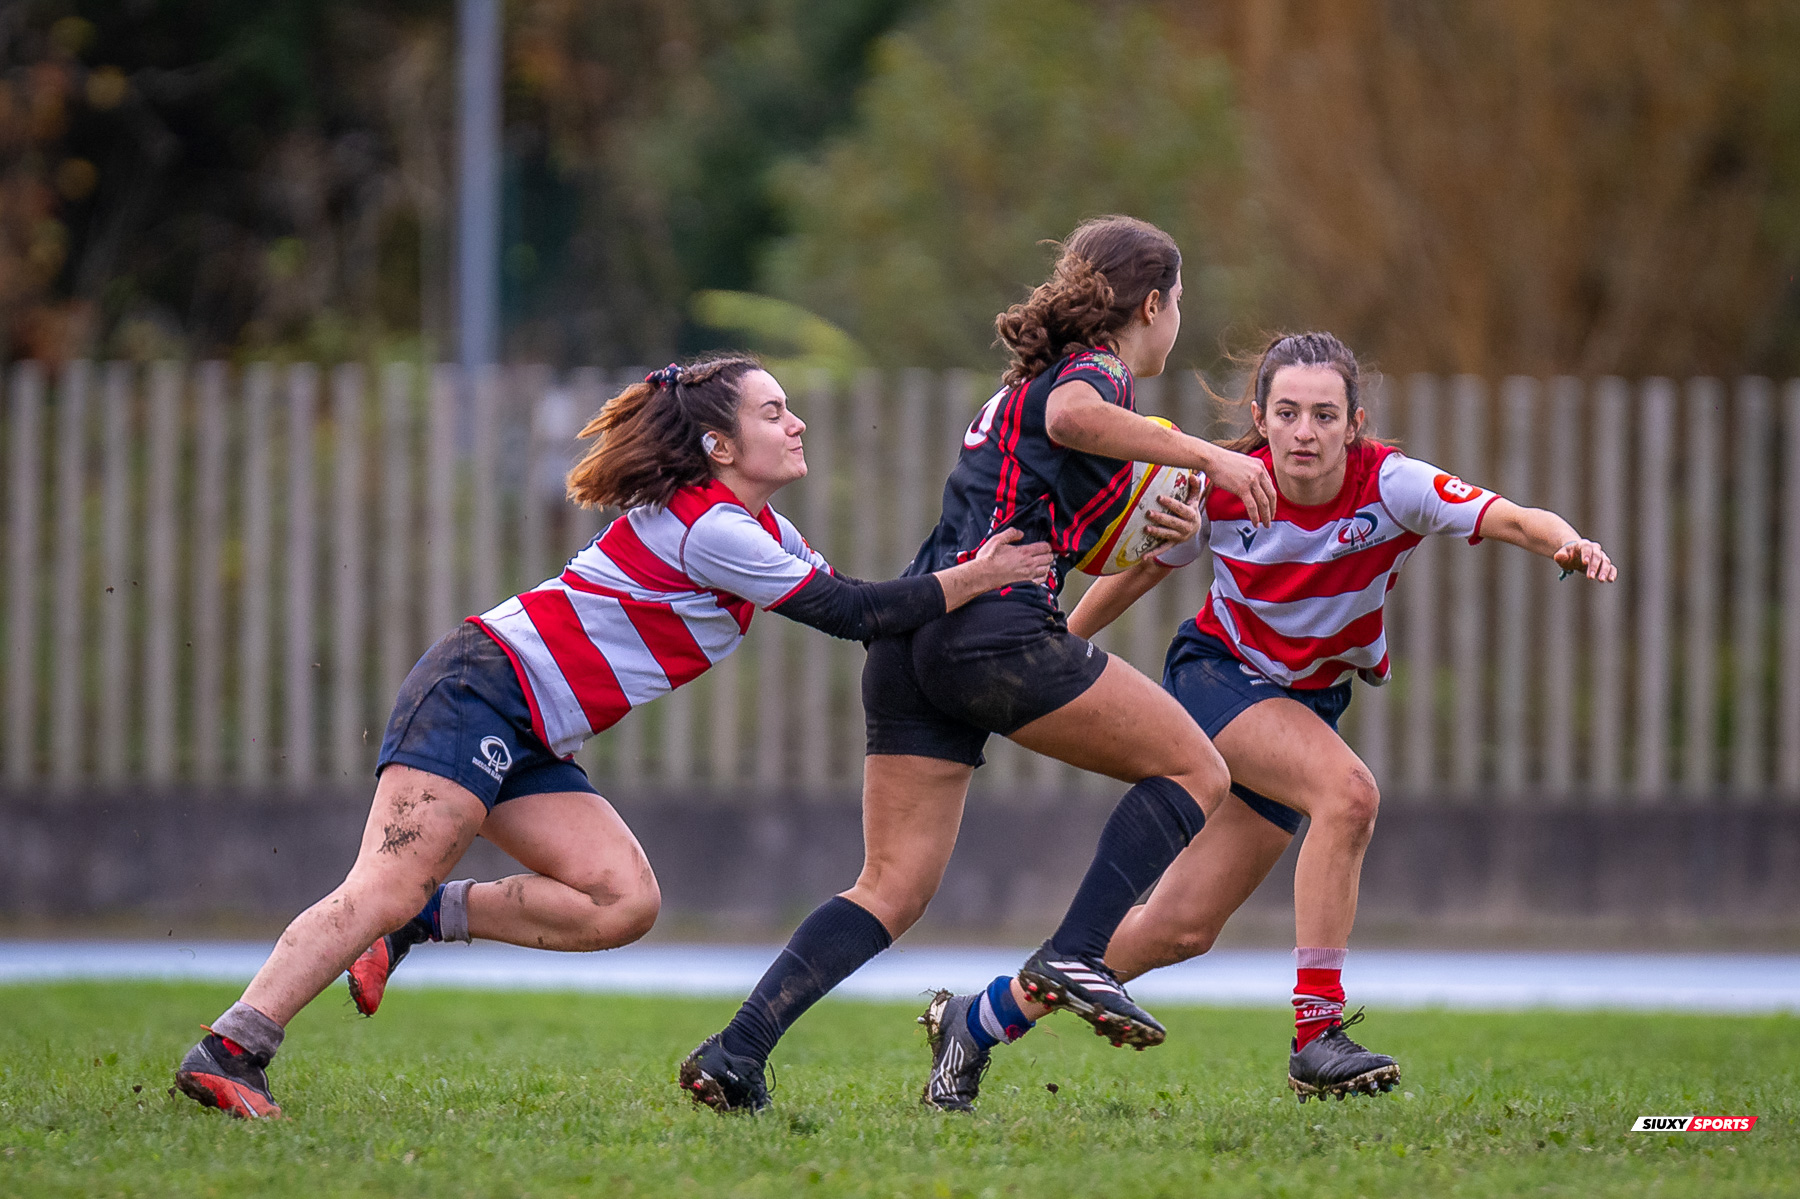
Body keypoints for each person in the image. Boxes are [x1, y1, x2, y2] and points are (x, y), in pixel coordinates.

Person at [171, 355, 1053, 1119]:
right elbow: (850, 611)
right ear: (719, 445)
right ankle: (232, 1047)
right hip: (479, 689)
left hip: (528, 725)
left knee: (621, 900)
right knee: (382, 880)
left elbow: (869, 604)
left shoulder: (758, 528)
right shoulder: (709, 527)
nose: (798, 423)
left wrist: (974, 567)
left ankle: (419, 923)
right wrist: (978, 574)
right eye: (774, 411)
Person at [917, 331, 1619, 1110]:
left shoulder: (1394, 485)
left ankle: (975, 1023)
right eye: (1287, 412)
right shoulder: (1221, 486)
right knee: (1348, 793)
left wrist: (1568, 543)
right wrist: (1046, 654)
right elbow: (1142, 571)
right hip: (1217, 678)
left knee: (1179, 930)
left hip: (1303, 704)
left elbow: (1515, 517)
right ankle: (1315, 1036)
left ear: (1355, 423)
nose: (1304, 431)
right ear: (1261, 415)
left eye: (1324, 414)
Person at [679, 215, 1282, 1114]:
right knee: (1198, 768)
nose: (1177, 322)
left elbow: (1091, 517)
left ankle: (736, 1051)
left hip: (917, 635)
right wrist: (1209, 457)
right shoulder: (1095, 374)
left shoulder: (1033, 386)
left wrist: (1169, 529)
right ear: (1151, 305)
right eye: (1179, 304)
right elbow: (1080, 417)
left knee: (892, 886)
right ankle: (1078, 953)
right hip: (990, 631)